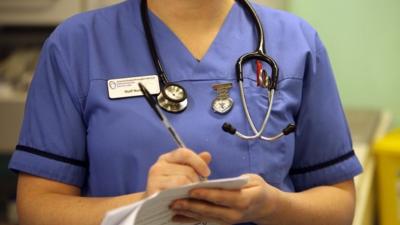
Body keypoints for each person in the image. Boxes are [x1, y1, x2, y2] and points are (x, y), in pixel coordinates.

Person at [9, 0, 362, 224]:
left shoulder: (296, 41)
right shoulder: (77, 45)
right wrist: (143, 205)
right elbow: (37, 208)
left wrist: (271, 207)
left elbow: (339, 204)